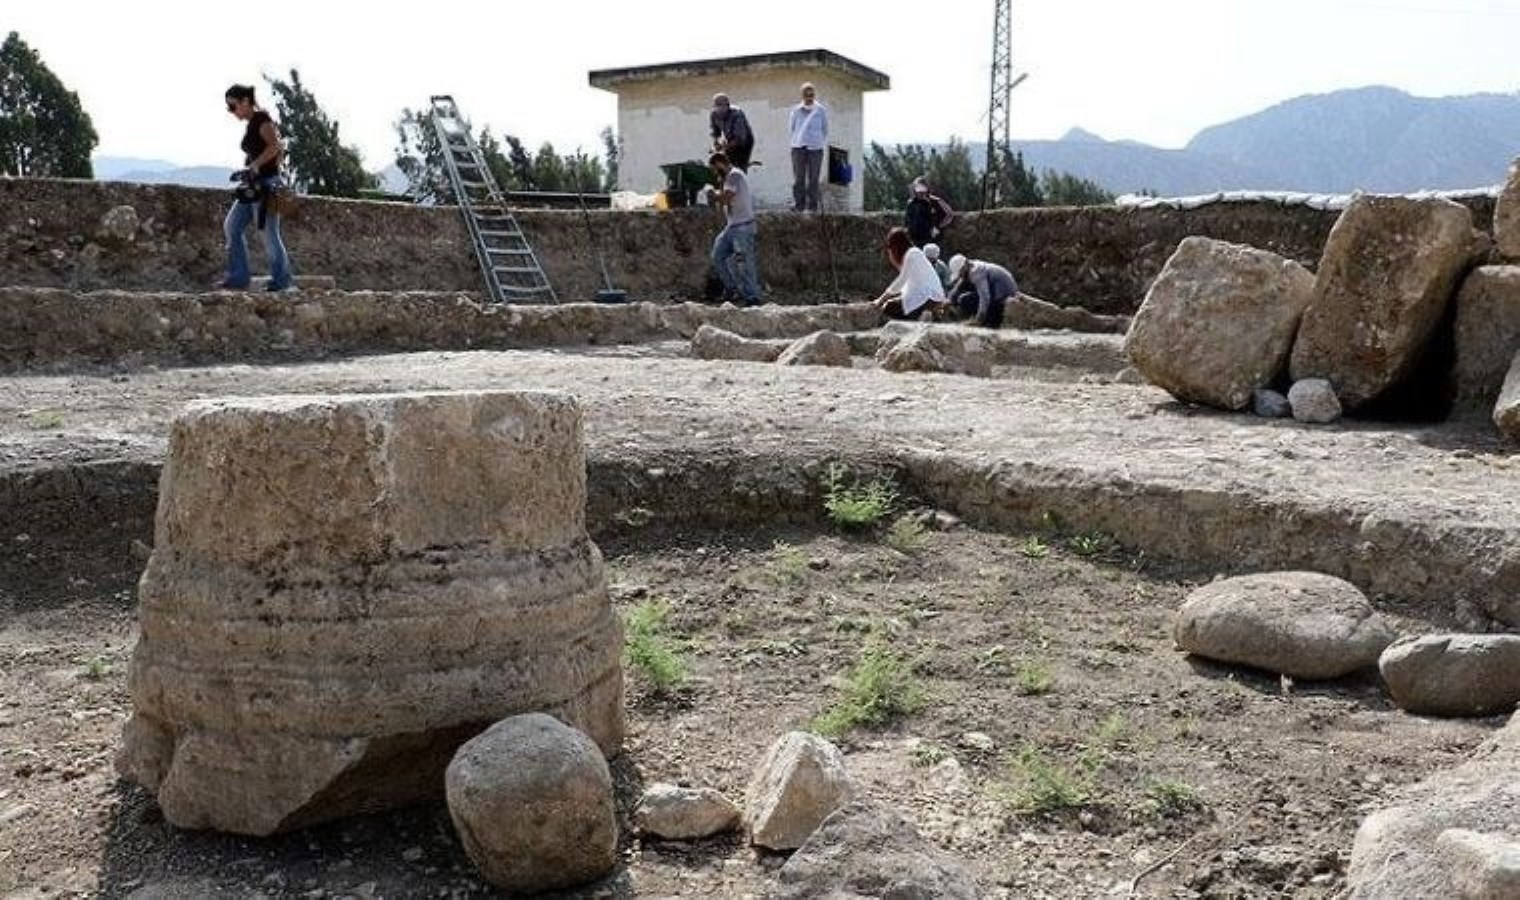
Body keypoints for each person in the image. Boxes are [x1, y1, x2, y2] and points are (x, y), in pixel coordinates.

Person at [222, 84, 293, 291]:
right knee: (232, 227)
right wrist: (249, 166)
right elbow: (263, 150)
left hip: (266, 185)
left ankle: (281, 281)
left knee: (268, 234)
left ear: (245, 101)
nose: (231, 112)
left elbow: (275, 146)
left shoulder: (262, 119)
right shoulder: (252, 122)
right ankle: (239, 277)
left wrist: (256, 165)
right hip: (253, 185)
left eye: (233, 106)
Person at [706, 152, 761, 306]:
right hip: (733, 226)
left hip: (743, 227)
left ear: (720, 164)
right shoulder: (728, 178)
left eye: (715, 169)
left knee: (744, 262)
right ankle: (732, 289)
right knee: (717, 256)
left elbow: (726, 198)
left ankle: (752, 298)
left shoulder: (734, 175)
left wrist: (713, 195)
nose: (715, 173)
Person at [873, 227, 949, 320]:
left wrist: (881, 300)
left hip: (927, 297)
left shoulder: (911, 255)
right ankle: (926, 313)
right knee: (895, 303)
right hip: (932, 296)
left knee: (889, 307)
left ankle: (923, 314)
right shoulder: (915, 253)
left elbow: (901, 281)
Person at [947, 254, 1018, 329]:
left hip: (1003, 295)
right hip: (997, 291)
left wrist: (979, 319)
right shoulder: (971, 266)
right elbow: (959, 285)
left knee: (965, 300)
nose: (960, 275)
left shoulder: (977, 272)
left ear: (964, 266)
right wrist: (949, 299)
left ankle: (987, 321)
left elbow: (985, 297)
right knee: (964, 292)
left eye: (960, 272)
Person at [788, 83, 829, 212]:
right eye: (806, 94)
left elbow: (825, 129)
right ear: (802, 95)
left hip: (816, 148)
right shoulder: (796, 110)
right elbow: (792, 127)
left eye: (811, 94)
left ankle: (812, 206)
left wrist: (816, 140)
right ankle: (799, 204)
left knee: (814, 178)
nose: (809, 96)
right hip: (798, 147)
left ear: (814, 95)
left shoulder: (820, 110)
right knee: (799, 178)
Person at [903, 176, 955, 247]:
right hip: (915, 241)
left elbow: (950, 214)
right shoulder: (911, 203)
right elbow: (908, 219)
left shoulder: (936, 201)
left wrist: (938, 226)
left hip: (932, 241)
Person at [709, 93, 755, 171]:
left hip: (744, 142)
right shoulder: (714, 115)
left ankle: (740, 173)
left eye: (721, 105)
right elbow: (715, 132)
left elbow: (740, 138)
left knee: (739, 165)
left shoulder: (737, 114)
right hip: (730, 138)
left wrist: (724, 147)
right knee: (725, 162)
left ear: (727, 105)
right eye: (717, 105)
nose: (719, 109)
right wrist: (716, 143)